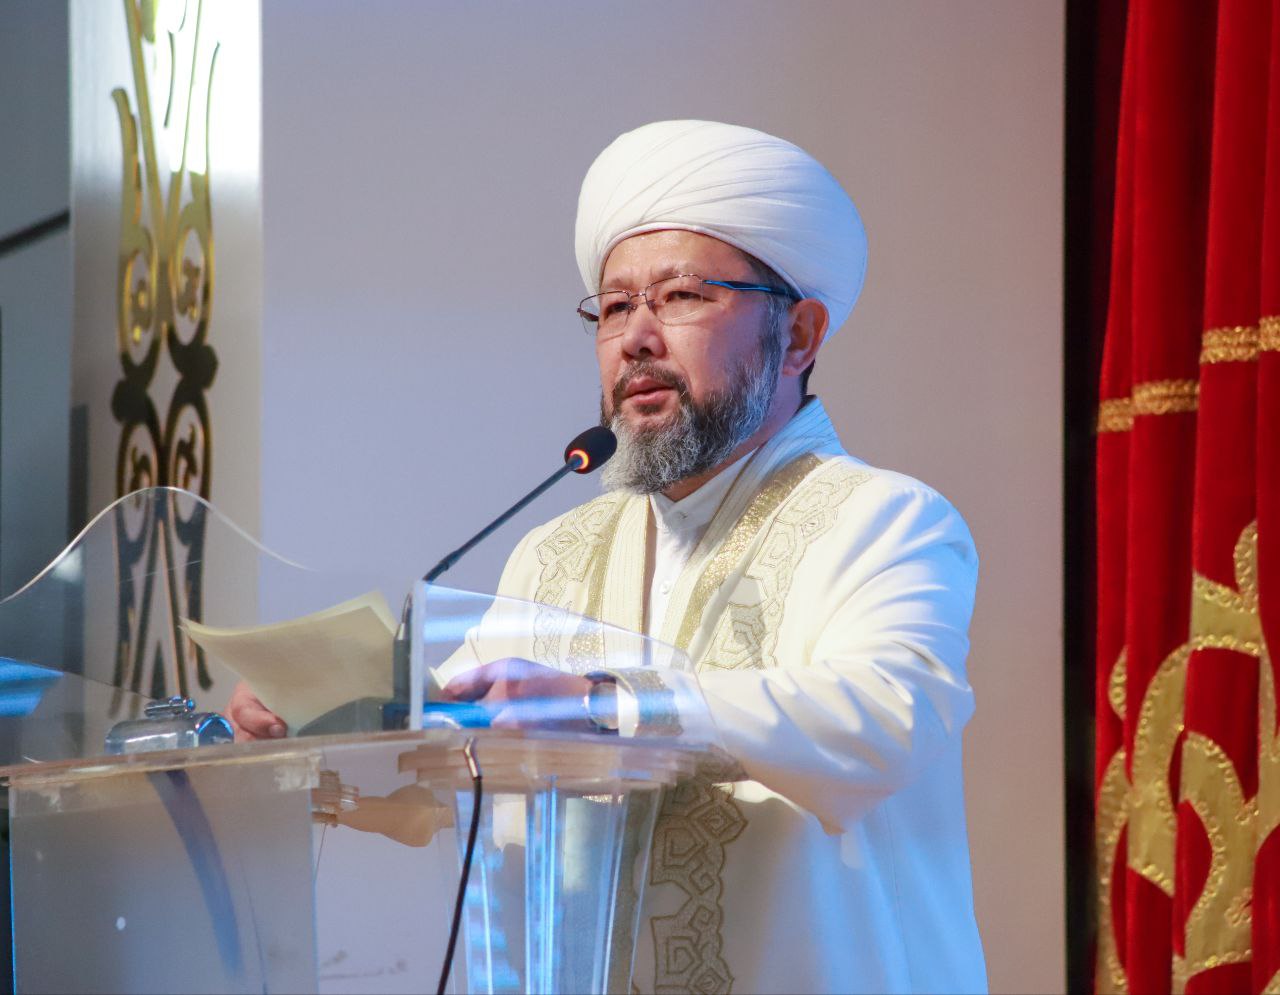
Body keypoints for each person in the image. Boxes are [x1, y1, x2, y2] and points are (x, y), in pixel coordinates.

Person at [230, 119, 986, 994]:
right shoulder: (553, 552)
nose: (637, 337)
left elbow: (889, 717)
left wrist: (609, 705)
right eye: (616, 307)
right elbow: (450, 773)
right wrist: (321, 724)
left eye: (681, 296)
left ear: (800, 336)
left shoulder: (885, 519)